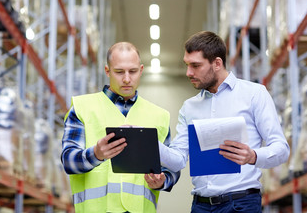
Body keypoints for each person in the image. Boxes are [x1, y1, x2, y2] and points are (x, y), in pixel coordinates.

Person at [159, 31, 290, 213]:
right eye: (187, 65)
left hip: (241, 204)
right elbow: (178, 160)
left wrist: (253, 156)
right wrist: (150, 145)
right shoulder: (189, 107)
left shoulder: (254, 94)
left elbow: (282, 150)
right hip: (200, 206)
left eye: (196, 66)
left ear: (217, 63)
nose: (189, 72)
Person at [61, 42, 180, 213]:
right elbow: (68, 161)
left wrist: (163, 180)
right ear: (107, 71)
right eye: (119, 72)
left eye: (132, 71)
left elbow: (173, 166)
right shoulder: (82, 108)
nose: (126, 78)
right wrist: (96, 154)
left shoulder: (159, 116)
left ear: (141, 70)